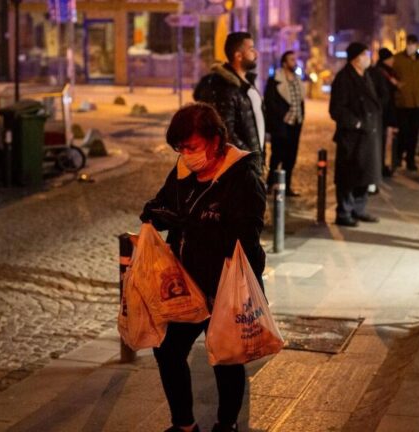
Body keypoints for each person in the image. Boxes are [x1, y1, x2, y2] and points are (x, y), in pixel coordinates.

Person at [140, 103, 266, 432]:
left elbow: (245, 240)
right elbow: (165, 200)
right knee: (167, 351)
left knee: (226, 357)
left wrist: (191, 224)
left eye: (191, 147)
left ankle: (227, 425)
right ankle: (184, 425)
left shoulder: (242, 177)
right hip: (185, 283)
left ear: (214, 139)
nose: (185, 154)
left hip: (225, 285)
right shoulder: (183, 171)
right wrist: (155, 213)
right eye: (180, 148)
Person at [194, 32, 265, 175]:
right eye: (251, 49)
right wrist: (249, 158)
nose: (255, 53)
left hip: (252, 160)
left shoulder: (246, 83)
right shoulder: (226, 88)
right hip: (240, 165)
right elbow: (227, 132)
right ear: (238, 56)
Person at [328, 42, 382, 227]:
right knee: (348, 175)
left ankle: (359, 209)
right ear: (356, 58)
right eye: (366, 54)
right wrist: (356, 123)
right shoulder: (344, 79)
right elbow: (336, 109)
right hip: (352, 136)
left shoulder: (366, 76)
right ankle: (344, 212)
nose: (368, 58)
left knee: (365, 174)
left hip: (368, 135)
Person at [392, 34, 419, 171]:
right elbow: (391, 76)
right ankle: (398, 157)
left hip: (418, 102)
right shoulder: (398, 59)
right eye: (409, 43)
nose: (411, 46)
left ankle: (410, 159)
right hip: (402, 102)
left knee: (414, 132)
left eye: (413, 43)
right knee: (402, 131)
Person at [264, 50, 305, 196]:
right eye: (291, 60)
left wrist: (301, 118)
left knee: (291, 157)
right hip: (281, 125)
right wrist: (281, 116)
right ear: (284, 63)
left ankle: (287, 187)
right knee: (277, 156)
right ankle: (269, 185)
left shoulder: (297, 79)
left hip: (296, 124)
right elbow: (269, 102)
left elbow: (300, 101)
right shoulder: (275, 79)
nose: (295, 62)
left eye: (295, 59)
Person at [369, 47, 400, 176]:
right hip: (381, 112)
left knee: (382, 140)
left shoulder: (389, 72)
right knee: (378, 141)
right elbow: (382, 95)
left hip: (385, 112)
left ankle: (380, 166)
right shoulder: (379, 73)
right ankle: (378, 167)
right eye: (391, 58)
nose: (393, 60)